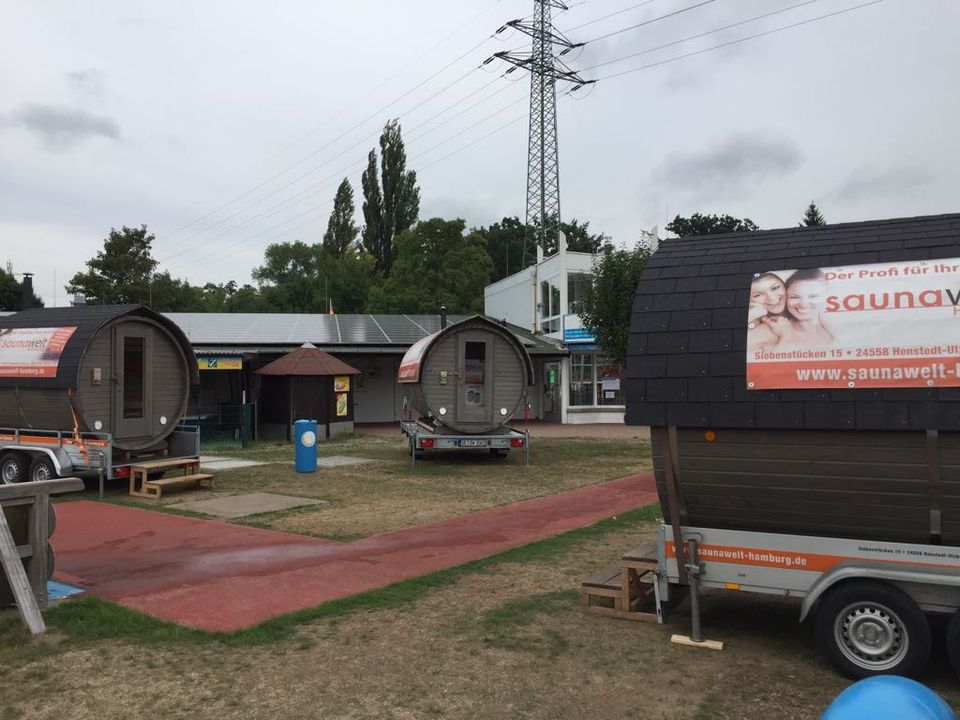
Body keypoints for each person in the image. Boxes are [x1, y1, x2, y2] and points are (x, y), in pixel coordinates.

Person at [764, 267, 834, 348]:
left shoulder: (836, 331)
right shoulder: (770, 333)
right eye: (794, 297)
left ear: (826, 297)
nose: (803, 304)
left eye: (813, 296)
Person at [746, 272, 786, 351]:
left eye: (775, 288)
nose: (771, 297)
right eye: (758, 295)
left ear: (785, 287)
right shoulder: (754, 330)